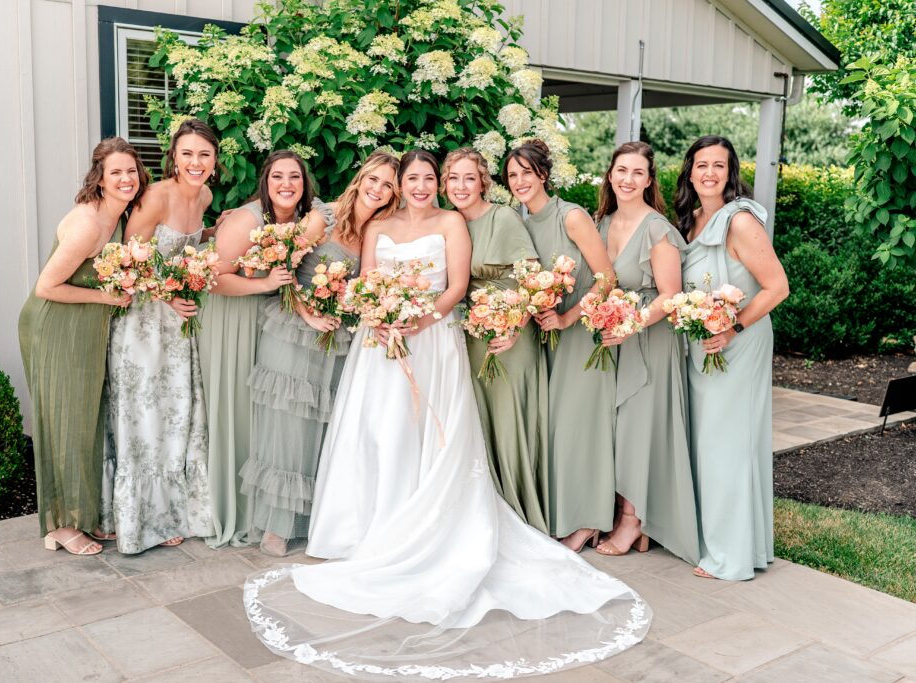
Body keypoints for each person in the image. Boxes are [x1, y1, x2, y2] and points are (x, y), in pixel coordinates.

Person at [243, 150, 651, 679]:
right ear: (398, 185)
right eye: (411, 179)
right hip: (380, 343)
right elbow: (367, 282)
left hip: (434, 340)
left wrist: (418, 319)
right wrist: (383, 317)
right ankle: (365, 529)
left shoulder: (452, 221)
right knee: (380, 432)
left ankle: (428, 526)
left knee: (427, 436)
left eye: (426, 178)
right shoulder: (379, 226)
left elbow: (458, 286)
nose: (419, 186)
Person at [240, 151, 401, 557]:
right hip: (295, 327)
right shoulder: (322, 216)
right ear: (360, 177)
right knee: (288, 426)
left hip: (340, 334)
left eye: (388, 186)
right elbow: (285, 268)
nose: (377, 190)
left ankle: (315, 519)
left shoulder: (381, 232)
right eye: (374, 179)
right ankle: (276, 525)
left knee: (325, 426)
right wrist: (308, 313)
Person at [18, 137, 145, 555]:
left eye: (131, 171)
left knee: (85, 422)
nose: (126, 179)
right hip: (56, 328)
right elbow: (47, 287)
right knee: (64, 424)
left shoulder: (118, 216)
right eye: (116, 173)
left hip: (84, 329)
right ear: (100, 178)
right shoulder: (89, 224)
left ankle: (82, 516)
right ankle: (61, 526)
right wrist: (107, 297)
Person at [675, 135, 789, 580]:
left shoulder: (740, 221)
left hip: (739, 344)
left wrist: (732, 326)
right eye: (701, 165)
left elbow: (777, 286)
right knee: (709, 442)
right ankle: (723, 540)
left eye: (718, 166)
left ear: (730, 172)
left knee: (728, 444)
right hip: (704, 343)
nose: (708, 173)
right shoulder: (692, 220)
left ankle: (732, 556)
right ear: (689, 171)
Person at [99, 120, 216, 554]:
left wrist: (209, 235)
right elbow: (131, 261)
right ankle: (136, 519)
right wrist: (169, 299)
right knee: (142, 415)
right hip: (144, 321)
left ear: (214, 159)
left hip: (179, 326)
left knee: (175, 411)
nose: (195, 162)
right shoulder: (156, 196)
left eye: (204, 154)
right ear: (173, 156)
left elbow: (185, 246)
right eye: (187, 153)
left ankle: (170, 510)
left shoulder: (204, 196)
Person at [505, 140, 617, 552]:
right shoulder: (518, 222)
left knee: (580, 427)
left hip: (580, 334)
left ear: (543, 175)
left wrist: (568, 318)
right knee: (555, 429)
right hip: (544, 337)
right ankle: (561, 513)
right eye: (512, 175)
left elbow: (607, 278)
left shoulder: (571, 216)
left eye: (526, 173)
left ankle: (588, 521)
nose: (519, 181)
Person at [196, 150, 311, 548]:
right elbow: (212, 277)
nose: (286, 184)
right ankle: (233, 508)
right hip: (231, 315)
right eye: (278, 176)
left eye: (294, 177)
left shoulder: (302, 221)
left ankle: (257, 507)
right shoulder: (249, 219)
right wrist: (264, 284)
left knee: (257, 413)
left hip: (266, 321)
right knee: (234, 409)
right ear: (265, 181)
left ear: (304, 183)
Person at [592, 142, 698, 563]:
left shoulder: (658, 230)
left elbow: (671, 295)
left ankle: (634, 519)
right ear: (610, 175)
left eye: (638, 173)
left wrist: (628, 325)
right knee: (618, 425)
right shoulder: (603, 223)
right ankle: (622, 510)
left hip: (651, 339)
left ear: (649, 180)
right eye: (621, 170)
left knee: (639, 426)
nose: (627, 179)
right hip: (616, 338)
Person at [442, 147, 549, 534]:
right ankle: (483, 515)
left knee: (507, 421)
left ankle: (517, 514)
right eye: (453, 178)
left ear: (484, 182)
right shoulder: (449, 223)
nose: (461, 186)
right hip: (471, 334)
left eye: (470, 178)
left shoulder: (501, 217)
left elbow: (532, 276)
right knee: (478, 423)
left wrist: (514, 326)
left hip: (510, 335)